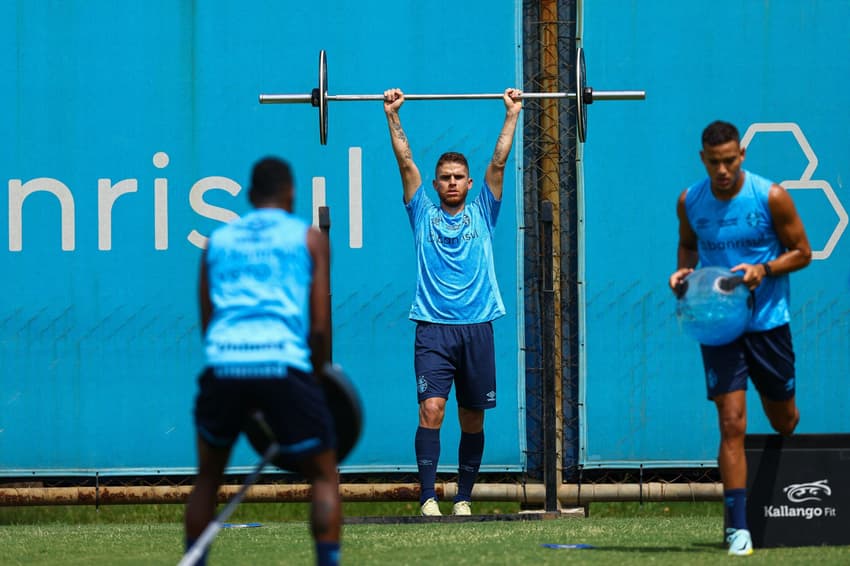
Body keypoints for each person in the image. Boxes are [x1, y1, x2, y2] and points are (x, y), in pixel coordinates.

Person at [184, 157, 341, 566]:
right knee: (324, 475)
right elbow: (320, 327)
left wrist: (232, 366)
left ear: (251, 197)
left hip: (224, 365)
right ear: (291, 195)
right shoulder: (308, 238)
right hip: (283, 364)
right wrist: (318, 379)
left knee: (208, 478)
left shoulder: (217, 240)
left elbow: (208, 321)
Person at [669, 121, 812, 556]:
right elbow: (689, 247)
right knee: (731, 423)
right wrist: (683, 276)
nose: (723, 170)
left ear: (742, 155)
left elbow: (802, 252)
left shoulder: (771, 196)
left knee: (783, 419)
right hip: (718, 326)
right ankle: (737, 529)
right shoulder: (690, 200)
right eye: (714, 162)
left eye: (730, 160)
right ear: (703, 160)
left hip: (768, 323)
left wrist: (763, 270)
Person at [383, 87, 522, 516]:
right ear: (435, 182)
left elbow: (498, 161)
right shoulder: (421, 213)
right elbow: (406, 161)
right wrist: (393, 115)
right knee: (432, 409)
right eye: (444, 177)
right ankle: (428, 498)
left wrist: (511, 113)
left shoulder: (484, 212)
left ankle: (463, 498)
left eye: (458, 177)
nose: (451, 183)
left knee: (473, 419)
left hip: (478, 327)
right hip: (433, 328)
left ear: (469, 183)